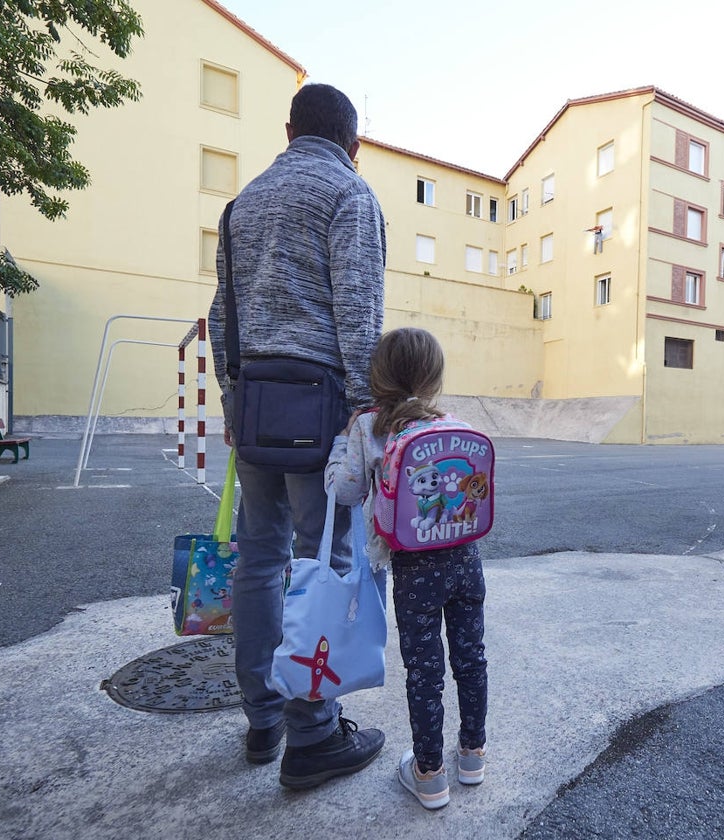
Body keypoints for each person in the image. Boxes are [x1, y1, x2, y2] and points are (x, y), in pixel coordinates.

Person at [208, 83, 386, 790]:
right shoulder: (349, 194)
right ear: (355, 144)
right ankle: (314, 734)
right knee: (327, 559)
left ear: (287, 131)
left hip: (255, 401)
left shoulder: (241, 203)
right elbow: (358, 309)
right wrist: (369, 409)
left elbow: (223, 311)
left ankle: (263, 716)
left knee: (259, 559)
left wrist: (230, 396)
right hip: (322, 409)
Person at [325, 327, 489, 810]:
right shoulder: (451, 422)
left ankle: (430, 774)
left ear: (378, 375)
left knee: (424, 671)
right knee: (471, 658)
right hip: (465, 559)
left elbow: (345, 491)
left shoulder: (370, 426)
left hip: (415, 569)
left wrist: (339, 444)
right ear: (434, 378)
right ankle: (474, 755)